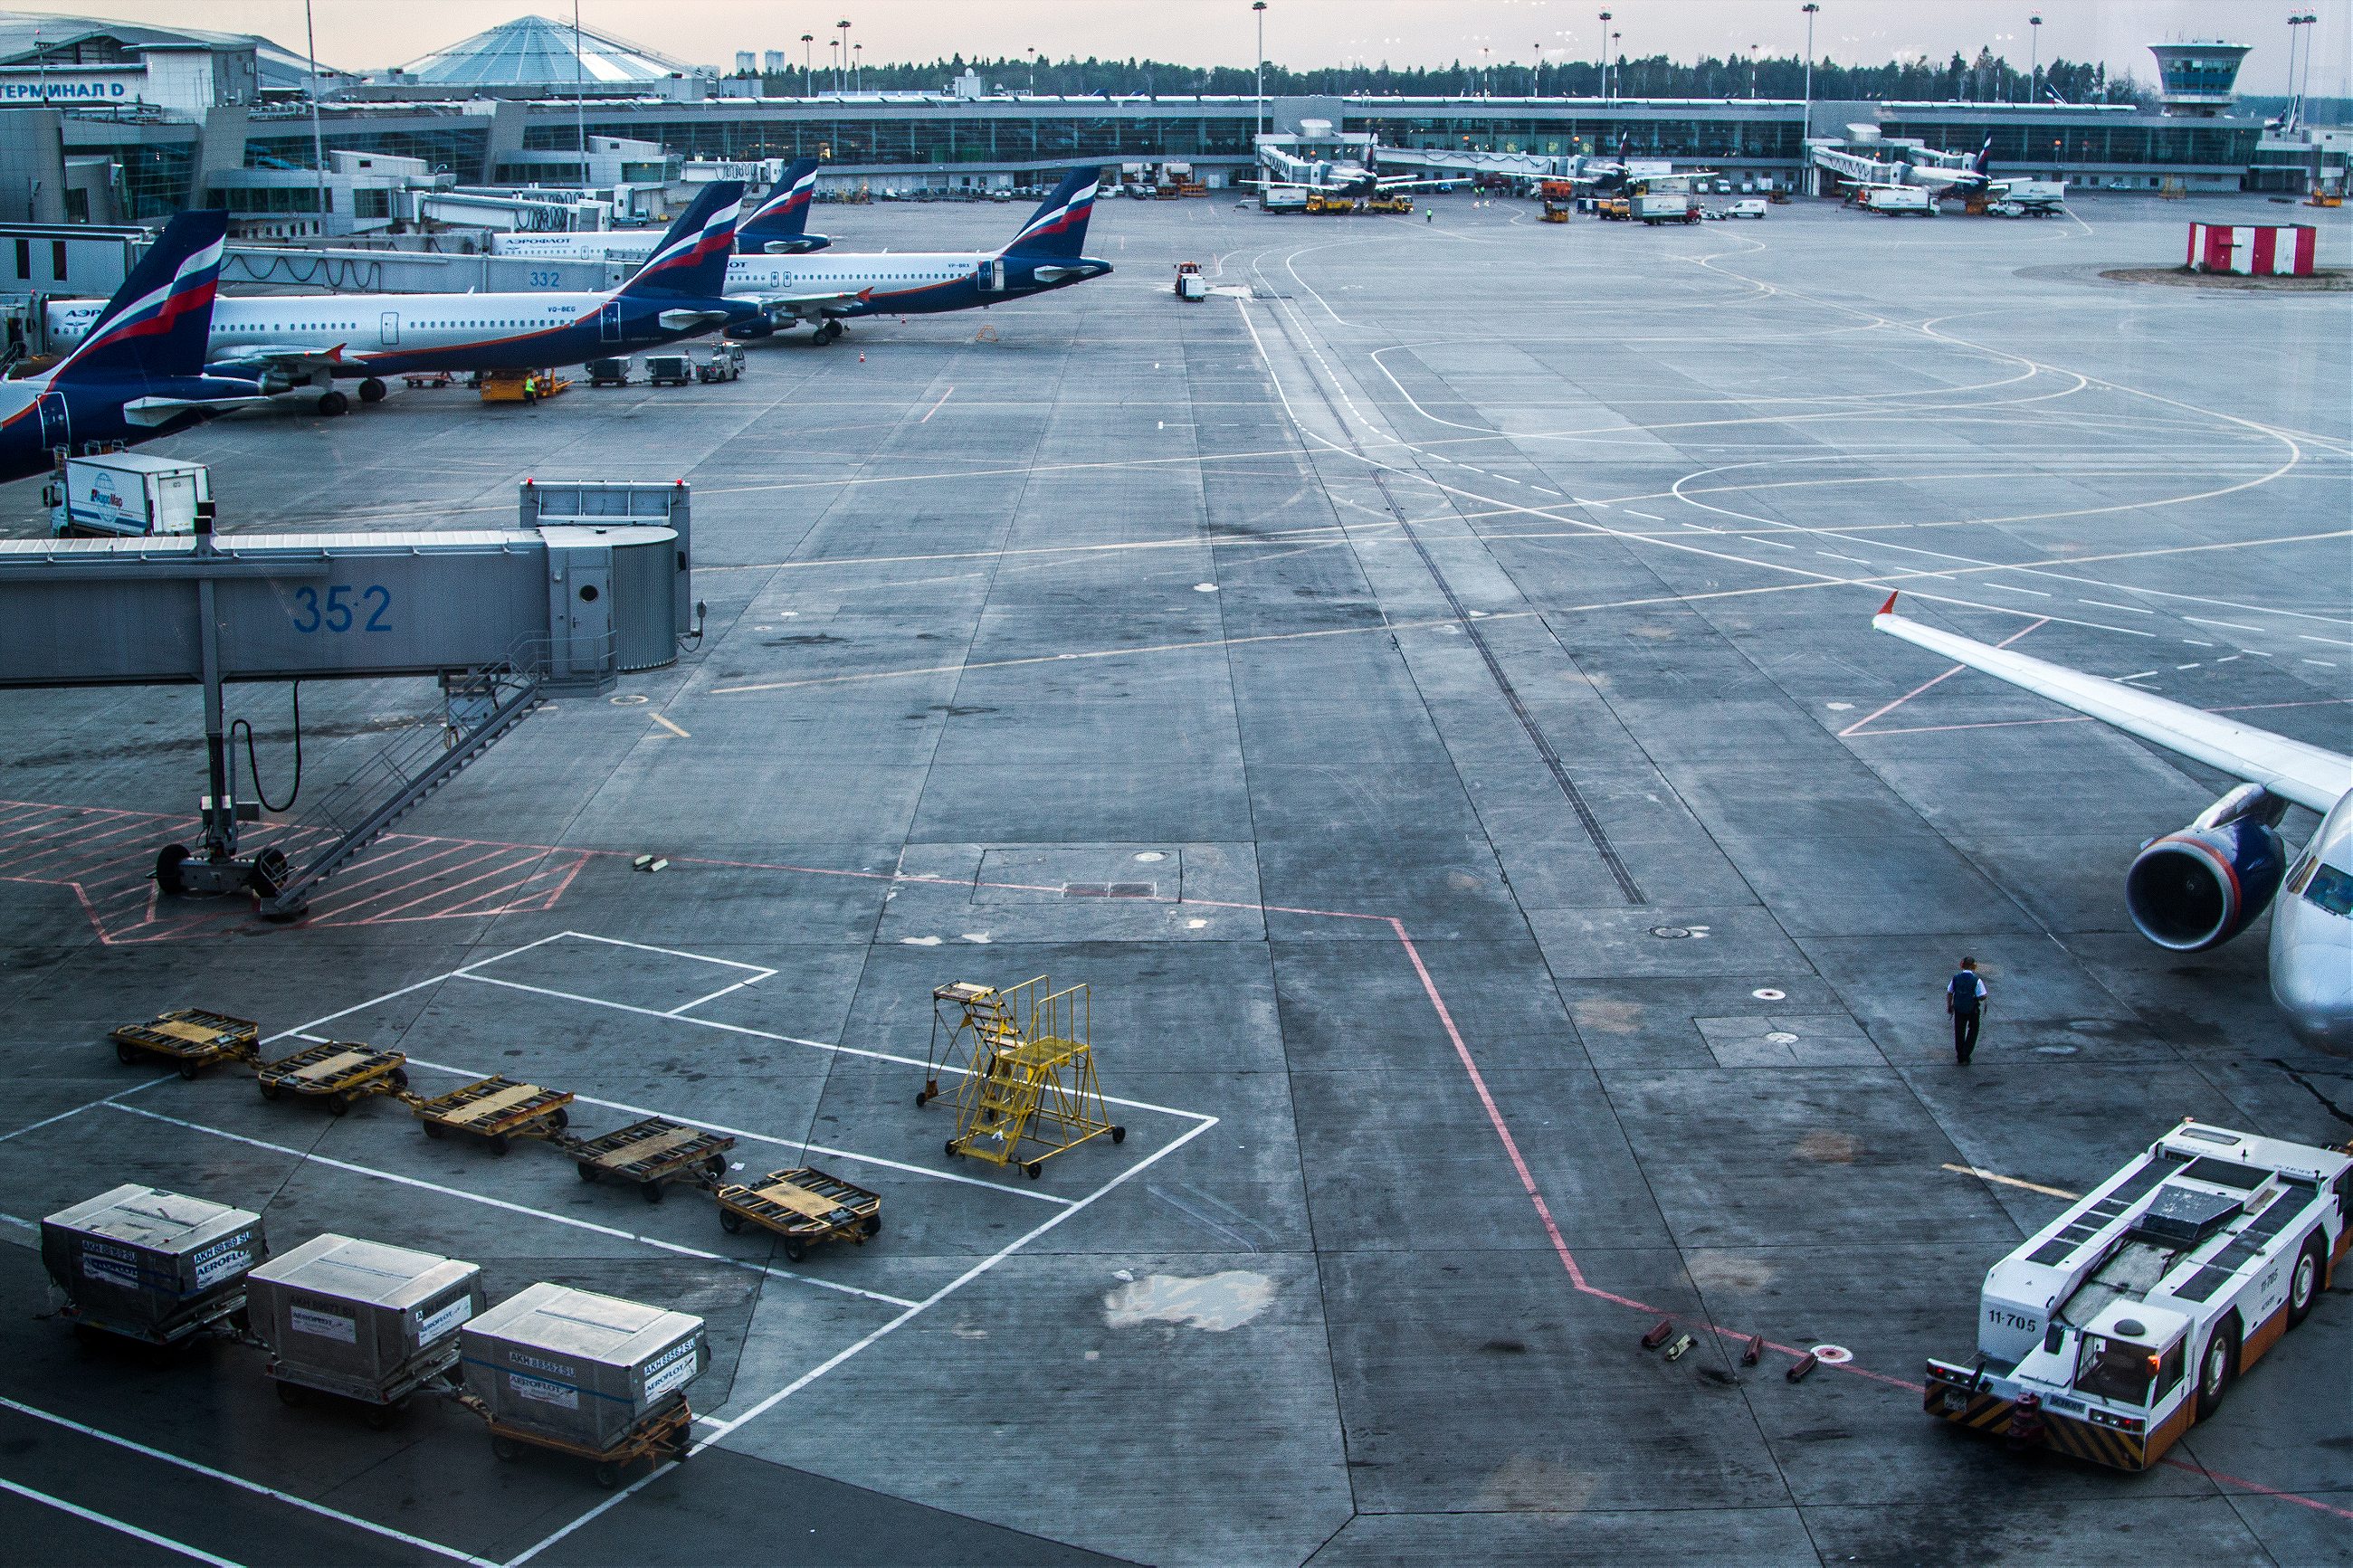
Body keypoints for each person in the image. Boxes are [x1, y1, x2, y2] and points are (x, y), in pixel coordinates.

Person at [1947, 957, 1987, 1064]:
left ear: (1962, 965)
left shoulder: (1956, 978)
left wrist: (1949, 1006)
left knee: (1959, 1031)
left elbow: (1950, 992)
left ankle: (1960, 1054)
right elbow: (1982, 995)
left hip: (1959, 1009)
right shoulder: (1976, 980)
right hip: (1972, 1010)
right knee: (1973, 1030)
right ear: (1974, 966)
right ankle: (1966, 1052)